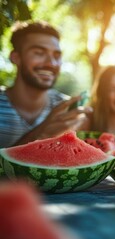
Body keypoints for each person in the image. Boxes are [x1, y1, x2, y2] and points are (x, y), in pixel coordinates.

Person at [0, 20, 92, 148]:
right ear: (16, 57)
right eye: (39, 53)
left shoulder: (67, 113)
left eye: (56, 55)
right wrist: (42, 133)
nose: (51, 63)